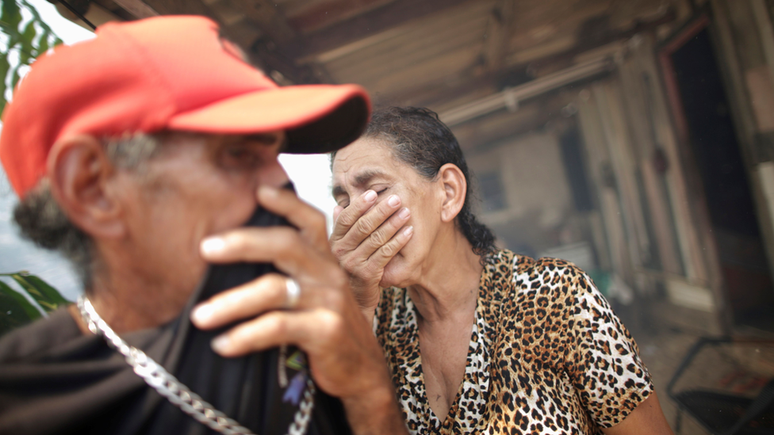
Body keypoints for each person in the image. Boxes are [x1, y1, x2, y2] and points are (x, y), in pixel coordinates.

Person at [0, 16, 407, 435]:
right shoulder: (23, 407)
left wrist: (368, 390)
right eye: (237, 154)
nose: (282, 184)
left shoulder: (316, 329)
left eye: (276, 152)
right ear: (92, 188)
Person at [329, 106, 674, 434]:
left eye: (375, 192)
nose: (354, 218)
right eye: (343, 202)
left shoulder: (555, 295)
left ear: (448, 193)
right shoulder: (376, 319)